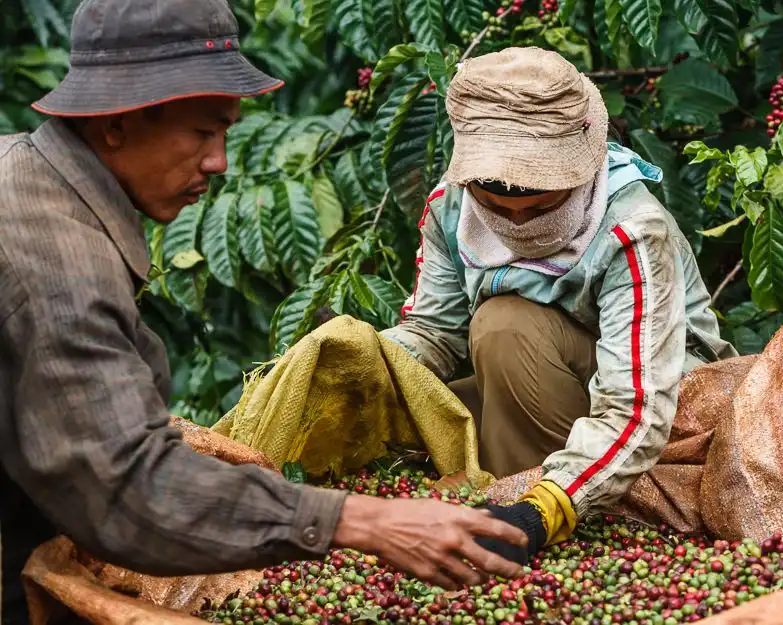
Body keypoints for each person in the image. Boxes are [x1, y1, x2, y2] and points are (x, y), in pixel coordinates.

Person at [0, 1, 527, 622]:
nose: (218, 161)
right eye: (202, 132)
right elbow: (126, 488)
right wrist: (362, 519)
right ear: (116, 125)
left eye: (224, 133)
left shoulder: (25, 173)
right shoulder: (58, 258)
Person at [381, 47, 738, 563]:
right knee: (397, 406)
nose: (518, 224)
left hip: (660, 419)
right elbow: (435, 331)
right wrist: (364, 360)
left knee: (506, 327)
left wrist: (543, 508)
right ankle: (512, 498)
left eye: (541, 207)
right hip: (536, 390)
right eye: (498, 209)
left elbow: (634, 404)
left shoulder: (633, 230)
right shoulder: (451, 207)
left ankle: (532, 506)